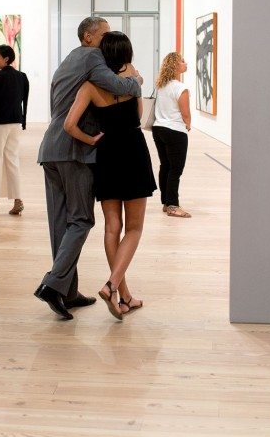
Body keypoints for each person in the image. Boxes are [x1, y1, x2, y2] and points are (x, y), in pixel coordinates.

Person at [33, 17, 142, 320]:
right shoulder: (94, 57)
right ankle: (52, 285)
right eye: (104, 34)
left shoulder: (69, 59)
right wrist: (136, 79)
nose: (107, 41)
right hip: (74, 151)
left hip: (50, 150)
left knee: (61, 225)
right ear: (89, 37)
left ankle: (67, 291)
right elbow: (120, 86)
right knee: (80, 220)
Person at [64, 32, 156, 321]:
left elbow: (69, 125)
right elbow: (139, 117)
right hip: (133, 149)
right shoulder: (133, 79)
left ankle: (124, 296)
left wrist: (91, 140)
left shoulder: (90, 85)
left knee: (111, 227)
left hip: (106, 154)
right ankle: (112, 285)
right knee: (135, 228)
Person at [0, 45, 29, 216]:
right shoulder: (21, 77)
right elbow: (24, 101)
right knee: (12, 160)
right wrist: (23, 121)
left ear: (6, 59)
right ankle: (18, 201)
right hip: (15, 123)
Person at [151, 52, 193, 218]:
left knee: (165, 166)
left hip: (159, 129)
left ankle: (167, 202)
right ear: (175, 66)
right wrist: (188, 124)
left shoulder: (161, 85)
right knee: (176, 170)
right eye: (182, 61)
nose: (185, 63)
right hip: (175, 131)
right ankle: (173, 206)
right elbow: (186, 113)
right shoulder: (180, 88)